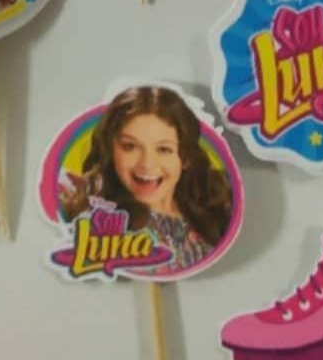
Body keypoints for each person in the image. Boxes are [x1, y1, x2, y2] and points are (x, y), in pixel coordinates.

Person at [62, 86, 233, 272]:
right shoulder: (94, 216)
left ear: (185, 157)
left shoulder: (216, 204)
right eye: (130, 147)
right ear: (111, 151)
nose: (147, 164)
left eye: (164, 149)